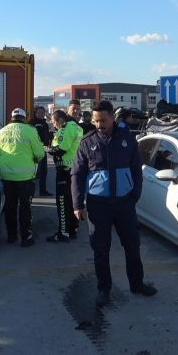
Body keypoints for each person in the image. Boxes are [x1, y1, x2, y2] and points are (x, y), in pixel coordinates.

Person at [71, 100, 157, 307]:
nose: (99, 124)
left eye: (103, 120)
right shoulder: (87, 142)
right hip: (98, 205)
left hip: (124, 203)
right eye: (95, 120)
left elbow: (137, 170)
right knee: (101, 249)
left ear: (112, 118)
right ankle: (104, 289)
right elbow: (77, 173)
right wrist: (77, 204)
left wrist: (134, 194)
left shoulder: (128, 139)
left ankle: (137, 284)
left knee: (132, 247)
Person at [0, 108, 45, 246]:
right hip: (26, 176)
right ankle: (26, 237)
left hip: (7, 175)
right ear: (24, 118)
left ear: (12, 117)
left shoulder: (1, 131)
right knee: (25, 207)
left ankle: (11, 236)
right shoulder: (30, 130)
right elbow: (40, 153)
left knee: (10, 206)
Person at [46, 110, 84, 243]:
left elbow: (61, 149)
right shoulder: (77, 127)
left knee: (62, 203)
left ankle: (63, 232)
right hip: (75, 169)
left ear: (61, 120)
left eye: (54, 121)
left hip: (65, 170)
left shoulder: (65, 128)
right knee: (72, 201)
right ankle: (73, 229)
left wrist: (47, 149)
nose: (53, 124)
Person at [29, 106, 53, 196]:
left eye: (42, 113)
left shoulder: (45, 124)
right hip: (34, 151)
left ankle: (43, 191)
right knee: (35, 173)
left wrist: (50, 138)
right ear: (35, 113)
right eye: (39, 112)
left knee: (44, 171)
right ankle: (31, 192)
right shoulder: (31, 123)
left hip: (43, 150)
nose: (41, 114)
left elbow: (47, 135)